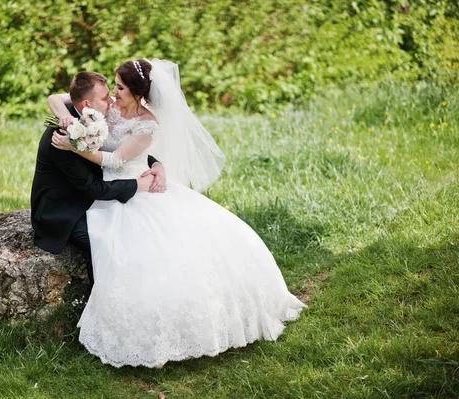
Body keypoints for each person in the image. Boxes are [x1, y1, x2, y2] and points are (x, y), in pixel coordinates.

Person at [49, 59, 306, 368]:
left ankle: (177, 330)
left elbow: (117, 159)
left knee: (157, 251)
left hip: (134, 188)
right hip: (110, 191)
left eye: (119, 87)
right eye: (113, 87)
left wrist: (74, 146)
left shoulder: (148, 124)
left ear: (138, 93)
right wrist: (66, 119)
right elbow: (56, 98)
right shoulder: (109, 108)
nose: (114, 94)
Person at [30, 71, 166, 288]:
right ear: (86, 104)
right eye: (105, 98)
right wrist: (136, 185)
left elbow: (124, 151)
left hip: (88, 196)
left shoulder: (91, 118)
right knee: (103, 243)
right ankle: (100, 301)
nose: (111, 100)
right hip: (63, 209)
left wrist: (156, 165)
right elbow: (92, 188)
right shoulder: (64, 137)